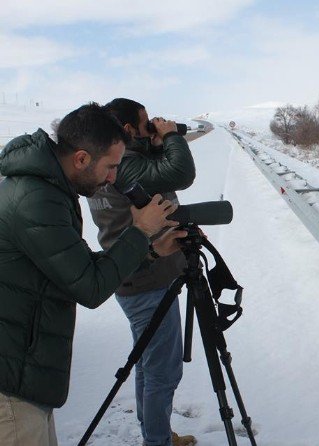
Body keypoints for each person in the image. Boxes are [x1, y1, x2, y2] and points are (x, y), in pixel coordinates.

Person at [0, 103, 183, 446]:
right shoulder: (35, 199)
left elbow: (84, 266)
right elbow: (90, 286)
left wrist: (152, 250)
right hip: (10, 386)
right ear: (82, 159)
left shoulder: (47, 190)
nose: (114, 178)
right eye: (111, 167)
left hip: (22, 376)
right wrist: (141, 231)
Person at [87, 98, 197, 446]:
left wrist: (153, 143)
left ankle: (155, 432)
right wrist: (169, 137)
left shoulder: (113, 163)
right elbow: (181, 173)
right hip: (148, 279)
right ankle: (157, 441)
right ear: (128, 130)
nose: (152, 126)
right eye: (145, 122)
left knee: (147, 363)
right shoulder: (128, 166)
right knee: (163, 371)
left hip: (136, 276)